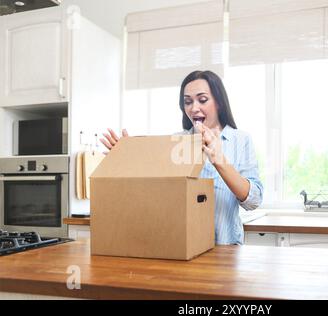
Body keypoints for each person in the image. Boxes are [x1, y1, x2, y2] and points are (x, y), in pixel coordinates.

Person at [100, 70, 263, 245]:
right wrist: (127, 158)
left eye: (202, 100)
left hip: (226, 248)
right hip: (183, 246)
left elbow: (253, 201)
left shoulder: (241, 140)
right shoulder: (177, 142)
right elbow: (154, 191)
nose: (193, 108)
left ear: (219, 103)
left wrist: (218, 159)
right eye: (187, 102)